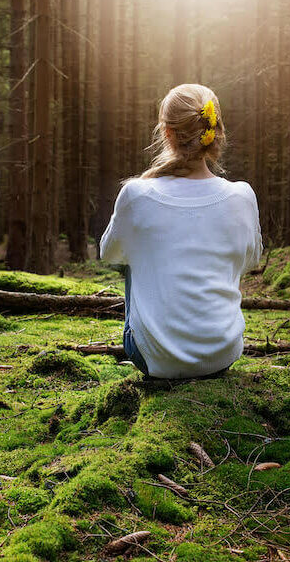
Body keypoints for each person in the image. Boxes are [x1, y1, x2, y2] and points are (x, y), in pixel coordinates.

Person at [100, 83, 263, 379]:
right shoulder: (242, 196)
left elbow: (109, 254)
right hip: (222, 355)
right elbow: (250, 261)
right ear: (216, 131)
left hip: (152, 359)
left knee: (129, 260)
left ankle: (164, 339)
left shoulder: (136, 194)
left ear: (167, 133)